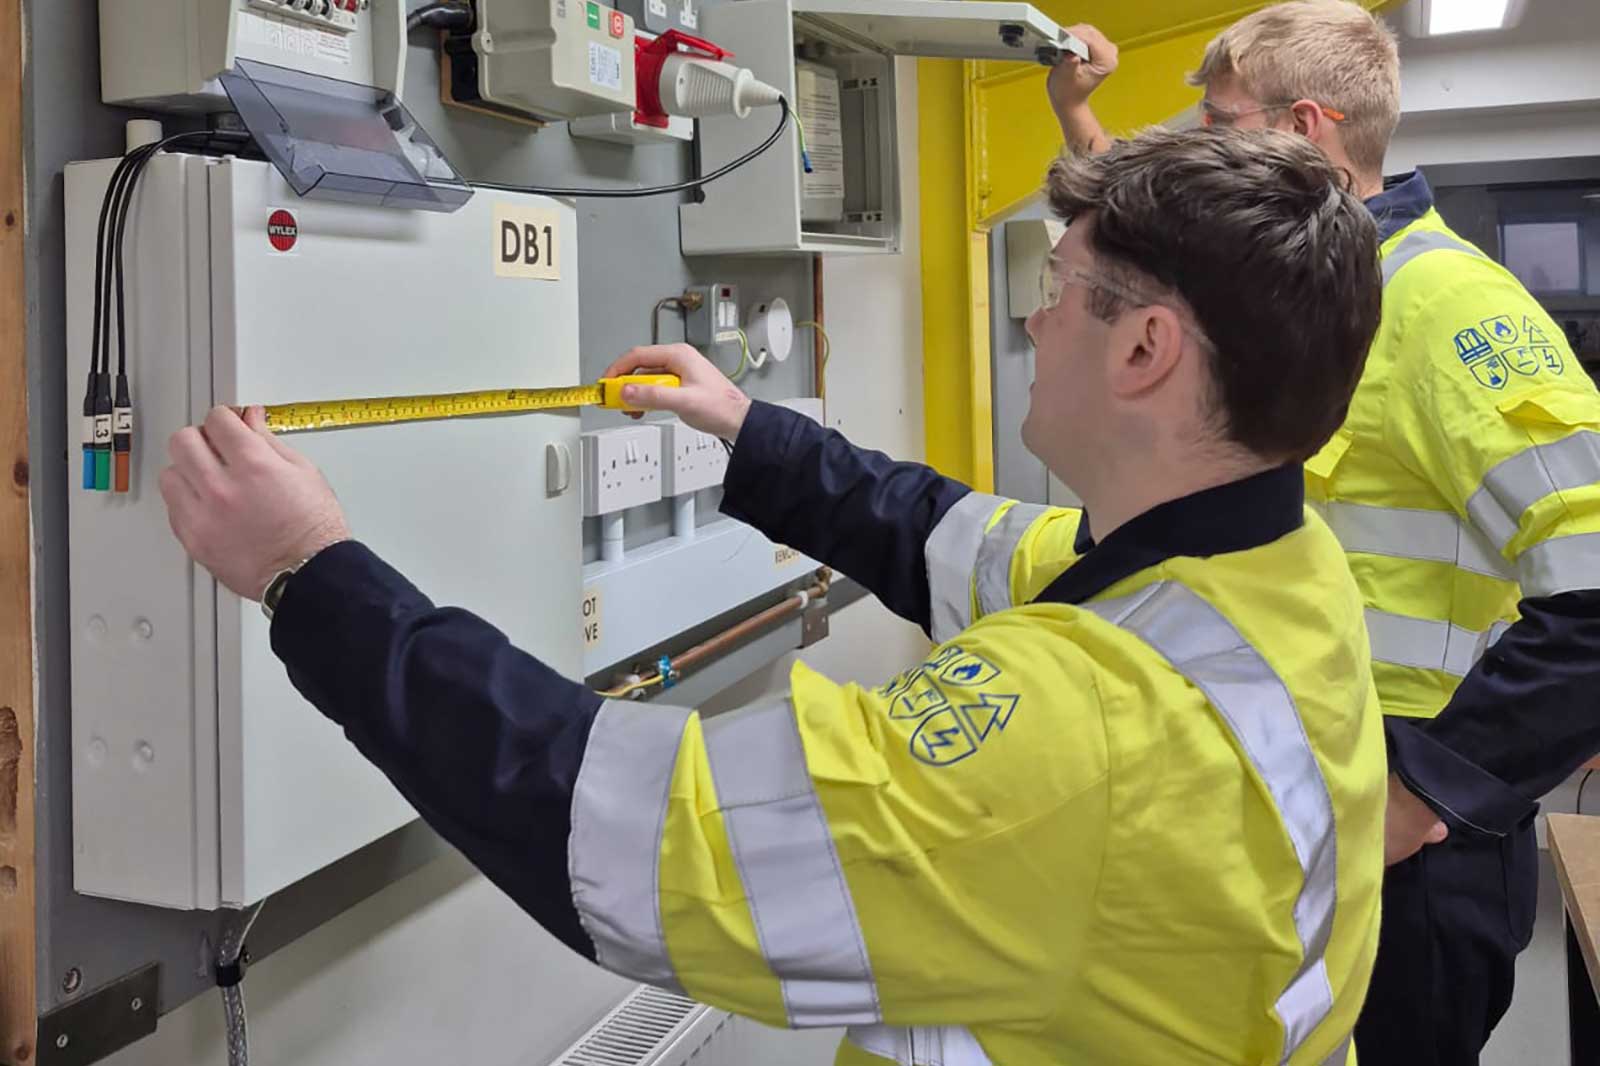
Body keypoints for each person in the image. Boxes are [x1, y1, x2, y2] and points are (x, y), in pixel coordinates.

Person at [160, 128, 1387, 1064]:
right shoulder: (1262, 571)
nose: (1032, 314)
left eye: (1061, 285)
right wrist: (746, 427)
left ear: (1142, 351)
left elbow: (622, 835)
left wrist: (306, 569)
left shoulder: (1090, 742)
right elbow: (940, 532)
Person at [1048, 4, 1600, 1063]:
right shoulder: (1302, 293)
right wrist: (1076, 111)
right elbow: (1149, 240)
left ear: (1303, 128)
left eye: (1218, 123)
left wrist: (1421, 787)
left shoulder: (1441, 303)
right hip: (1301, 792)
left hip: (1412, 835)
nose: (1200, 146)